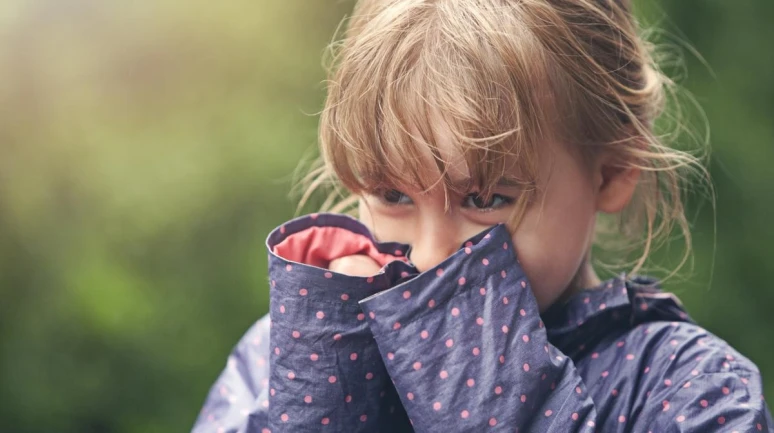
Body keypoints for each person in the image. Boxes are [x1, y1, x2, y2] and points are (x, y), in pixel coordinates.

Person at [192, 0, 773, 431]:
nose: (429, 255)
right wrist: (326, 386)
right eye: (394, 196)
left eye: (486, 199)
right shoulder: (279, 357)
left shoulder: (687, 389)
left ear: (611, 173)